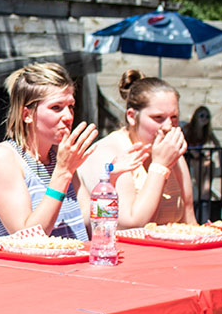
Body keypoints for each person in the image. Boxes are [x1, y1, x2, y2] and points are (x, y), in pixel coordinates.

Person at [0, 62, 98, 239]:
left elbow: (88, 221)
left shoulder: (59, 156)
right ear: (26, 114)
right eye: (56, 107)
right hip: (25, 265)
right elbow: (27, 237)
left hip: (72, 263)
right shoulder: (3, 158)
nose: (68, 117)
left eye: (71, 106)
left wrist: (109, 183)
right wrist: (63, 173)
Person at [80, 70, 196, 228]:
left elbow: (189, 221)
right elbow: (129, 224)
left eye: (174, 117)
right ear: (131, 116)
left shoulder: (172, 153)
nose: (169, 126)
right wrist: (160, 167)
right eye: (158, 118)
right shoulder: (111, 152)